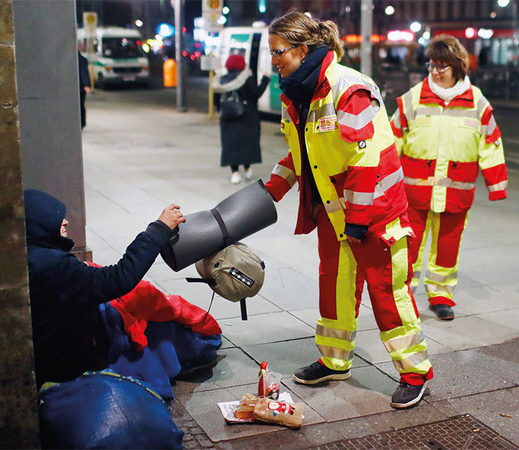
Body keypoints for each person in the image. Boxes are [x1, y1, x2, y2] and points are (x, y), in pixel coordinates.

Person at [264, 11, 433, 409]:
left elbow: (366, 159)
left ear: (302, 50)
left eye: (278, 52)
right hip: (335, 211)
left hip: (375, 213)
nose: (274, 61)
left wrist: (357, 220)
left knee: (388, 294)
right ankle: (334, 360)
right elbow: (303, 151)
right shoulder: (299, 92)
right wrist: (273, 187)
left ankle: (415, 372)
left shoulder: (348, 88)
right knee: (334, 288)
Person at [23, 189, 222, 397]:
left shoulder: (31, 255)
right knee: (145, 315)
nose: (65, 222)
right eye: (56, 218)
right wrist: (159, 229)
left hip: (59, 351)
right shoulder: (51, 264)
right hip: (73, 365)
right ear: (38, 224)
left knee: (144, 300)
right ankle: (189, 352)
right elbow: (119, 278)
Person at [390, 35, 507, 321]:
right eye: (432, 65)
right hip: (415, 193)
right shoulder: (413, 98)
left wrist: (497, 185)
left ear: (457, 67)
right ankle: (404, 297)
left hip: (457, 193)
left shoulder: (476, 102)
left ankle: (440, 294)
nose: (435, 72)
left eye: (442, 66)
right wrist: (382, 179)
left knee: (448, 247)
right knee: (410, 247)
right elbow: (392, 139)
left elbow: (491, 142)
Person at [212, 54, 270, 184]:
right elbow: (256, 93)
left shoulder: (221, 80)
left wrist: (222, 111)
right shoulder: (247, 79)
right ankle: (247, 168)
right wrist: (265, 79)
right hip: (247, 118)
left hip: (227, 119)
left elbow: (216, 101)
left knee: (230, 145)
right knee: (247, 143)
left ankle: (235, 173)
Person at [78, 43, 91, 129]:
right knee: (81, 105)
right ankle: (82, 122)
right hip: (81, 87)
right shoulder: (82, 60)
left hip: (76, 87)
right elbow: (84, 73)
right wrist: (86, 85)